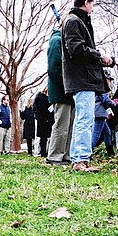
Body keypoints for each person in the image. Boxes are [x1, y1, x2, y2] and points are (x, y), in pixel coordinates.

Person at [62, 0, 115, 172]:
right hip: (81, 78)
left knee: (84, 119)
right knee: (85, 119)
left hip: (84, 78)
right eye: (93, 4)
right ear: (86, 3)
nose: (93, 8)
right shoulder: (73, 21)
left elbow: (82, 49)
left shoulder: (77, 21)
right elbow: (76, 49)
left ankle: (80, 158)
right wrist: (99, 55)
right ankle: (80, 160)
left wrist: (108, 60)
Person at [46, 28, 73, 166]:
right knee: (61, 125)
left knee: (69, 126)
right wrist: (66, 85)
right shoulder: (57, 41)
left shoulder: (66, 41)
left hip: (70, 90)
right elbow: (53, 68)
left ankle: (65, 155)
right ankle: (54, 155)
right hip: (61, 91)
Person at [93, 71, 117, 156]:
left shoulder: (96, 86)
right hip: (100, 113)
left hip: (97, 112)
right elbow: (105, 100)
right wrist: (113, 103)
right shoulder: (103, 87)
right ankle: (89, 152)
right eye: (108, 79)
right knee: (96, 134)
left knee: (107, 132)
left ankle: (110, 153)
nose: (109, 81)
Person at [33, 88, 54, 157]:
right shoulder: (41, 98)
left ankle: (46, 152)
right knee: (43, 138)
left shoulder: (43, 98)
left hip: (47, 119)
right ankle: (43, 152)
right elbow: (41, 109)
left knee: (47, 137)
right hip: (43, 119)